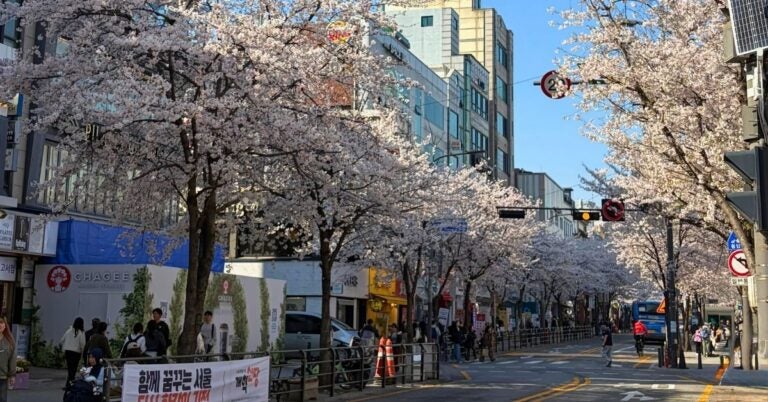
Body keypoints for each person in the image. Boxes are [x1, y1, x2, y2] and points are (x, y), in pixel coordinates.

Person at [60, 317, 86, 388]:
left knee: (70, 369)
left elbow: (62, 340)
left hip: (68, 352)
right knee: (73, 369)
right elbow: (82, 344)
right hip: (76, 353)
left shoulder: (68, 331)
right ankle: (70, 384)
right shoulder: (81, 333)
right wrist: (83, 352)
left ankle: (69, 383)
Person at [0, 317, 15, 402]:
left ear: (5, 326)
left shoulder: (9, 342)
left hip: (2, 376)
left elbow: (12, 359)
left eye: (2, 323)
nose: (0, 325)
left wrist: (12, 375)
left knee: (2, 399)